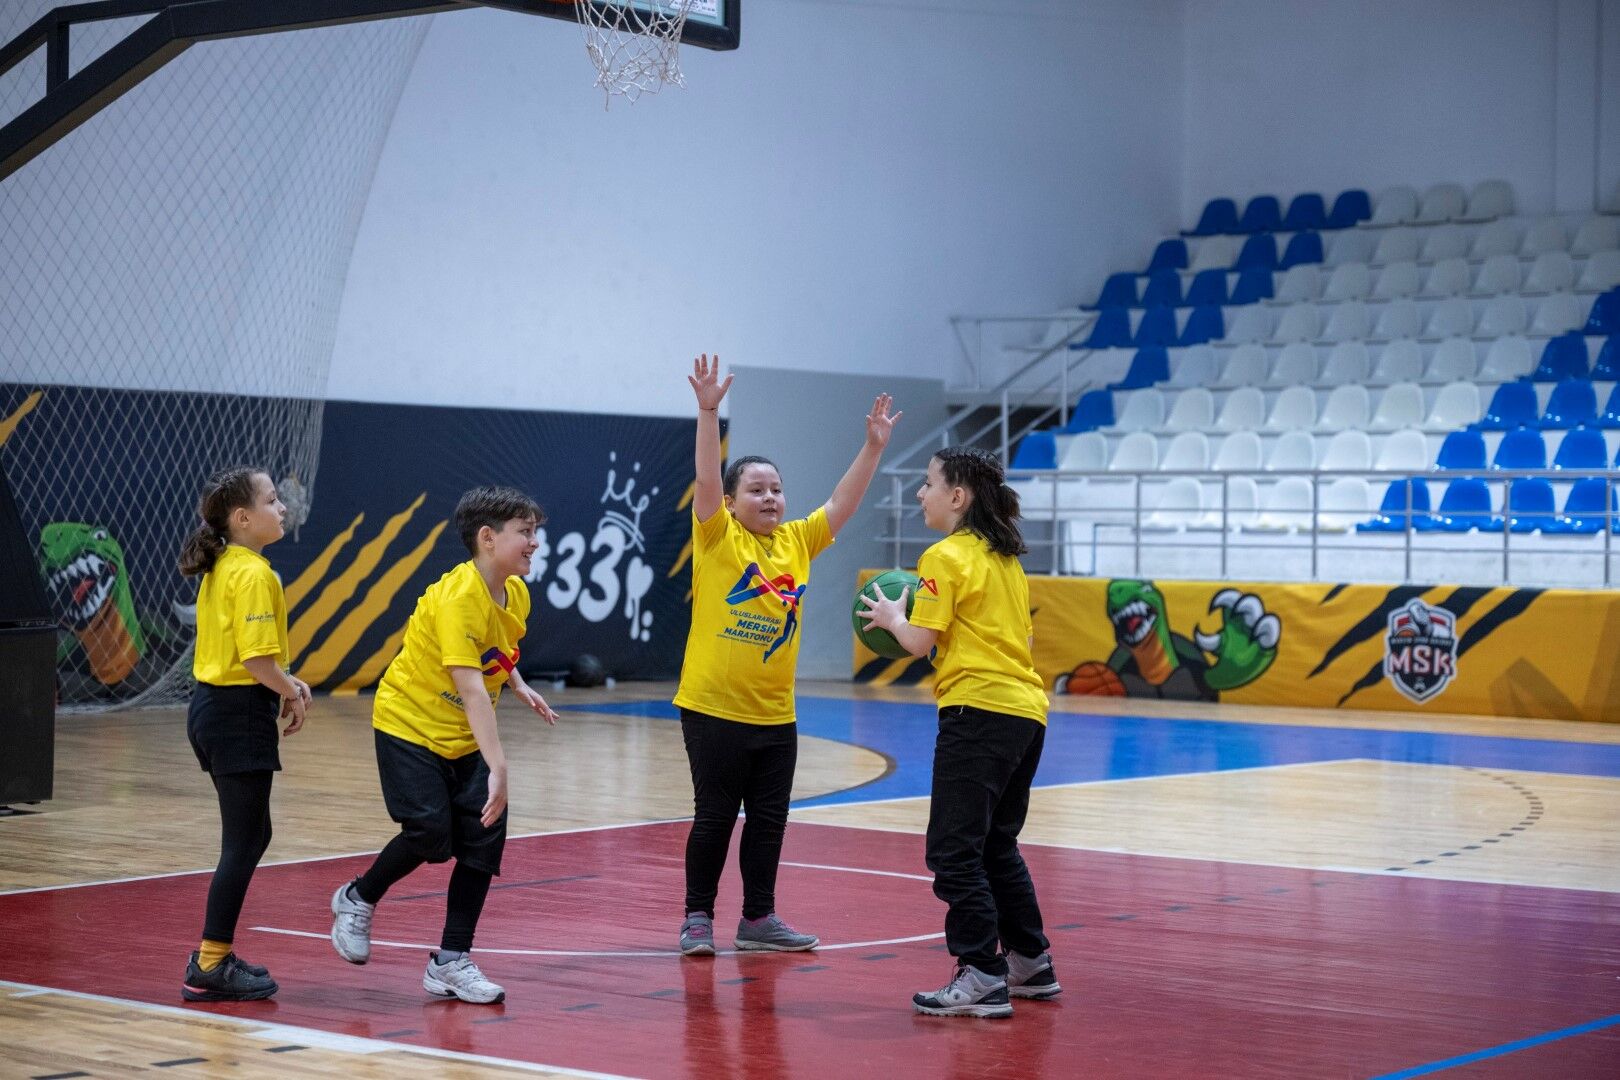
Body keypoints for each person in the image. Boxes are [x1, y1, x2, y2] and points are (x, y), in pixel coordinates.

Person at [675, 354, 900, 956]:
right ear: (731, 499)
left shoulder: (797, 540)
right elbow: (703, 478)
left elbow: (842, 504)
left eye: (777, 489)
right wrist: (707, 411)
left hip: (776, 715)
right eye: (757, 489)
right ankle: (697, 918)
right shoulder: (717, 533)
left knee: (770, 821)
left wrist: (873, 447)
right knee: (715, 816)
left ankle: (758, 920)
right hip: (713, 708)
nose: (771, 497)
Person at [329, 485, 558, 1004]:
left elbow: (493, 650)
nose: (534, 543)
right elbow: (471, 687)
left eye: (534, 533)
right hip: (409, 724)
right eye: (525, 532)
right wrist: (499, 766)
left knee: (482, 839)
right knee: (430, 832)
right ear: (487, 537)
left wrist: (518, 683)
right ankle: (357, 897)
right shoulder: (458, 597)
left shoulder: (515, 593)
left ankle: (452, 961)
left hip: (460, 735)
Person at [858, 446, 1059, 1018]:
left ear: (957, 496)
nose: (919, 494)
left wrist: (893, 619)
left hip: (978, 711)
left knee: (953, 849)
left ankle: (981, 974)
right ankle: (1030, 963)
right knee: (997, 844)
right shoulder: (1006, 559)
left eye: (927, 484)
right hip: (1026, 712)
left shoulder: (942, 557)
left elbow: (920, 643)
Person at [179, 465, 311, 1002]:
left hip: (216, 710)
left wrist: (286, 682)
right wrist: (291, 690)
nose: (281, 509)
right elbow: (256, 659)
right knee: (243, 840)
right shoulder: (254, 572)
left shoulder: (226, 564)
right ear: (243, 517)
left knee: (254, 835)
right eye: (272, 500)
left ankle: (215, 956)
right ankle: (209, 963)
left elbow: (253, 657)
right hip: (236, 714)